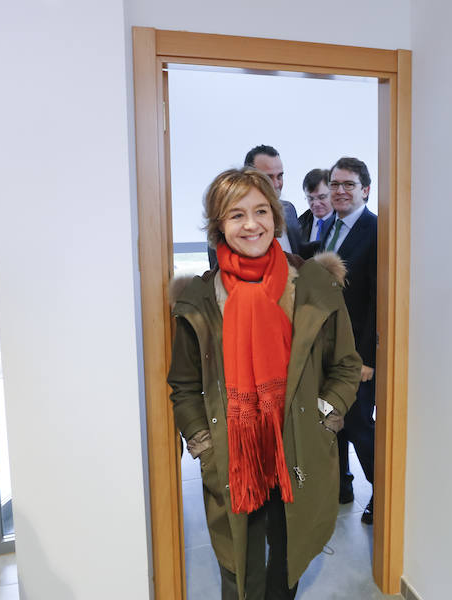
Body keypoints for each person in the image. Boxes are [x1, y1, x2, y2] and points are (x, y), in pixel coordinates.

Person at [168, 167, 362, 600]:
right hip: (233, 453)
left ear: (276, 216)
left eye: (261, 211)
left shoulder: (312, 283)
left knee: (289, 556)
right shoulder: (199, 298)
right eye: (236, 215)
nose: (251, 224)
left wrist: (324, 419)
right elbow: (183, 385)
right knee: (239, 564)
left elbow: (347, 365)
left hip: (298, 447)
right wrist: (203, 441)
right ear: (218, 225)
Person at [323, 157, 378, 524]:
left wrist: (367, 358)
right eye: (335, 184)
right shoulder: (331, 226)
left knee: (359, 422)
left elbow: (377, 300)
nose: (340, 191)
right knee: (331, 415)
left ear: (365, 191)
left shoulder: (376, 230)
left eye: (348, 185)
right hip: (328, 347)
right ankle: (342, 484)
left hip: (357, 351)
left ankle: (383, 489)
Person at [297, 168, 335, 245]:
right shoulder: (299, 225)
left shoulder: (345, 222)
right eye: (310, 198)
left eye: (322, 197)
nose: (316, 203)